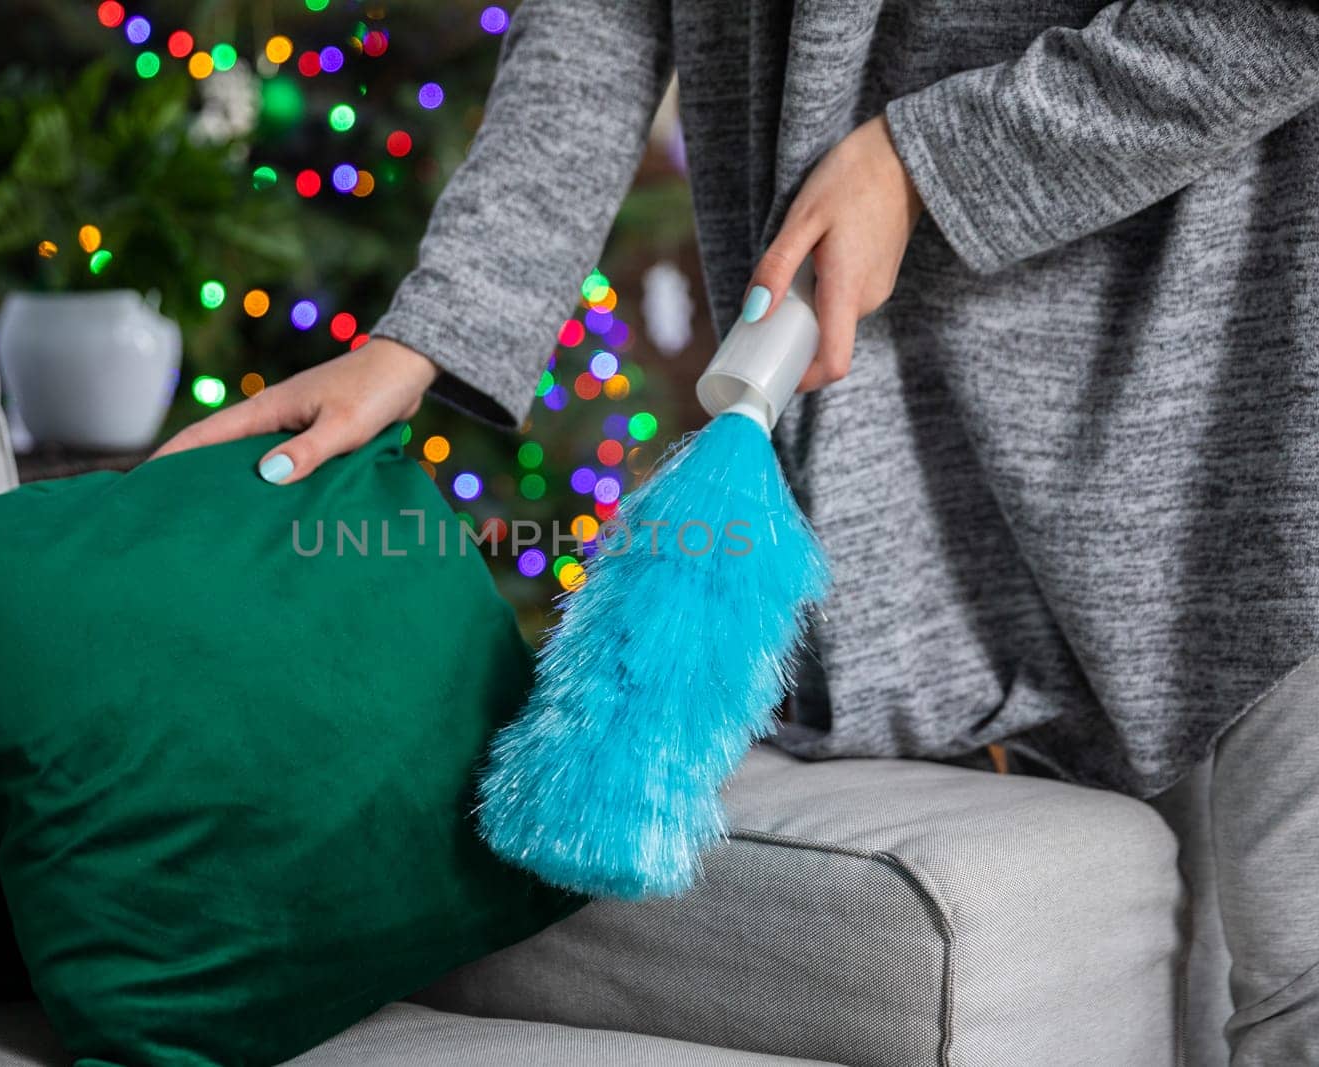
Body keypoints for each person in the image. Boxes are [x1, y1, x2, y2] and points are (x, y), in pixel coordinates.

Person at [155, 2, 1319, 1059]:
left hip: (1250, 399)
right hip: (921, 453)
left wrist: (930, 159)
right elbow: (596, 22)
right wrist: (418, 343)